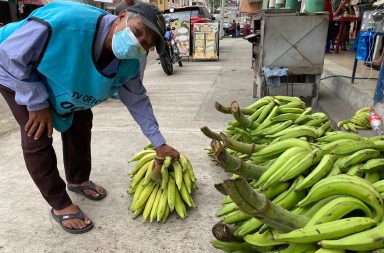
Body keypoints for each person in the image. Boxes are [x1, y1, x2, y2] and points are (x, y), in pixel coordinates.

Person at [0, 1, 180, 234]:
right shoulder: (67, 21)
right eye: (137, 32)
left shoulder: (129, 62)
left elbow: (138, 100)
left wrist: (159, 142)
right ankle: (59, 204)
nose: (138, 43)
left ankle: (77, 179)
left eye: (145, 44)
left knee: (81, 119)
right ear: (122, 15)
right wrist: (36, 102)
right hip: (15, 69)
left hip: (61, 77)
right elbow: (11, 55)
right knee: (37, 133)